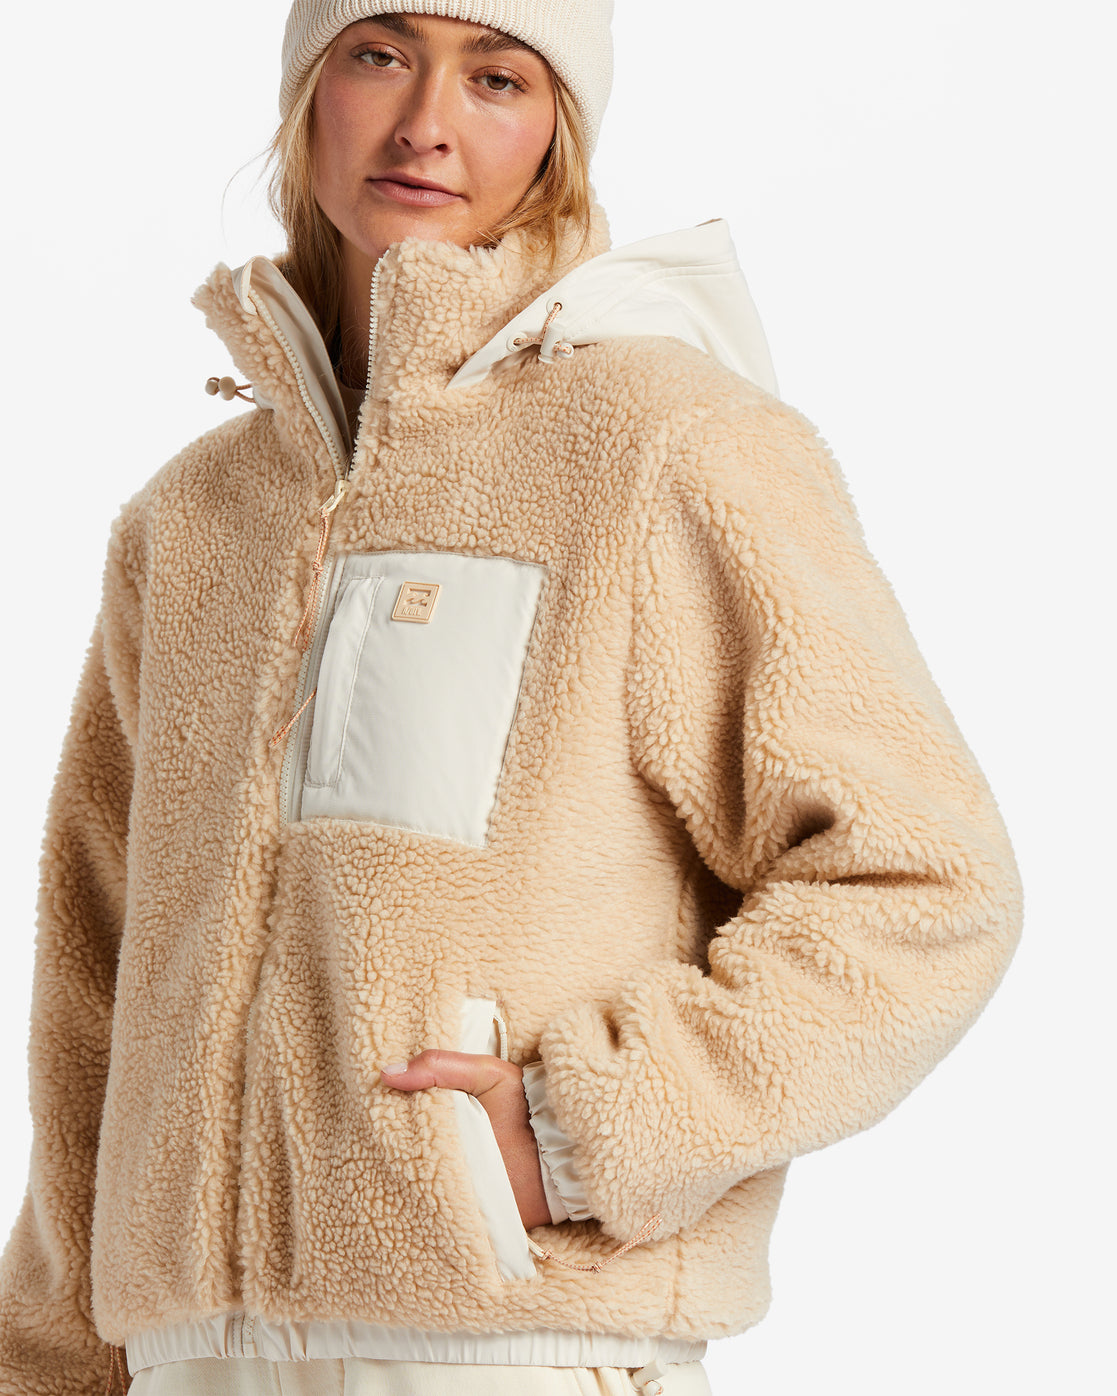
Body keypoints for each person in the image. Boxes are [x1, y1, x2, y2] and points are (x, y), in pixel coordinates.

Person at [0, 1, 1023, 1393]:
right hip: (189, 1364)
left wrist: (583, 1128)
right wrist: (52, 1365)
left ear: (557, 134)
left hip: (508, 1353)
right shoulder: (190, 520)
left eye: (496, 78)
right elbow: (96, 972)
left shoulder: (664, 447)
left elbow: (923, 882)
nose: (426, 122)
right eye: (379, 54)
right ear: (306, 95)